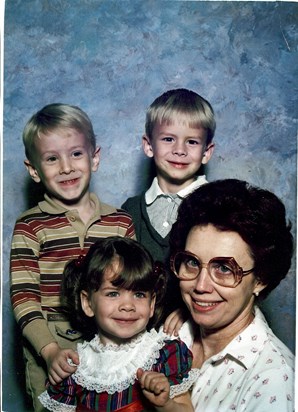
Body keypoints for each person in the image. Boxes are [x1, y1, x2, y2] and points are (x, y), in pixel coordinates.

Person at [10, 103, 135, 412]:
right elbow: (24, 298)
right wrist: (49, 350)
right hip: (51, 343)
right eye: (52, 158)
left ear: (95, 158)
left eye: (76, 154)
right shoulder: (30, 226)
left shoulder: (120, 222)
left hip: (110, 341)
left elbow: (134, 287)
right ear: (34, 170)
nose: (66, 167)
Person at [165, 178, 295, 411]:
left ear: (261, 278)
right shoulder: (172, 333)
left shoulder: (274, 378)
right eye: (192, 262)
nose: (200, 286)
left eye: (224, 268)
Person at [39, 236, 196, 412]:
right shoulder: (76, 368)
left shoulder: (164, 355)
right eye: (113, 294)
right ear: (88, 303)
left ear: (151, 304)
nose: (128, 306)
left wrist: (166, 404)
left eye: (139, 294)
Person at [122, 88, 215, 264]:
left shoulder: (219, 208)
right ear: (149, 146)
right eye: (168, 139)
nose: (179, 150)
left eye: (192, 142)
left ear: (206, 152)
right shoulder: (130, 210)